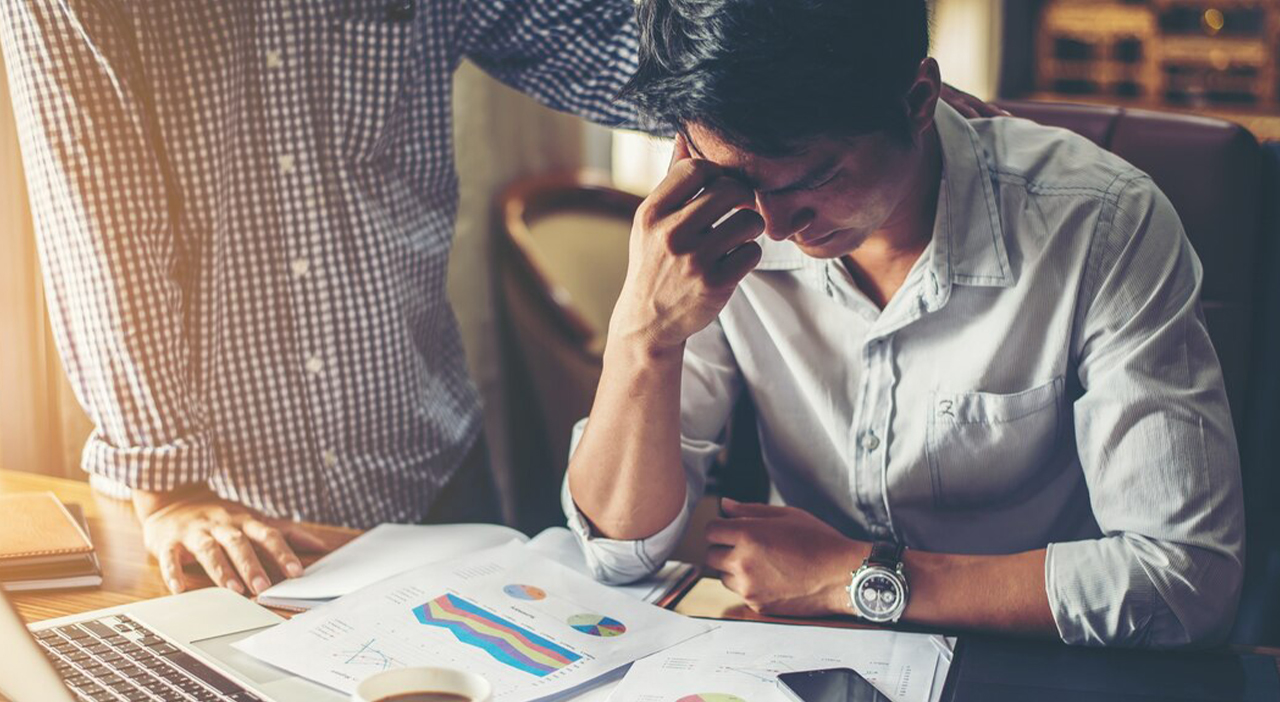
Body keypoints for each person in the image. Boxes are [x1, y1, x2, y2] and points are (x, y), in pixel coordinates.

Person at [0, 0, 999, 597]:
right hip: (220, 503)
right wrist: (167, 478)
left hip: (433, 451)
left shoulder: (1073, 214)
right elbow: (99, 206)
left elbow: (586, 39)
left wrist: (827, 99)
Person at [565, 0, 1245, 647]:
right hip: (795, 664)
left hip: (1042, 669)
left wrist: (854, 576)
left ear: (918, 102)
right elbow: (622, 553)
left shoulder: (1101, 222)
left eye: (817, 175)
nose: (772, 225)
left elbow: (1184, 583)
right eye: (735, 176)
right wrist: (641, 336)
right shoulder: (716, 230)